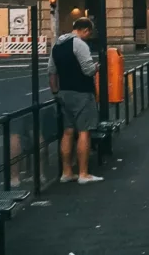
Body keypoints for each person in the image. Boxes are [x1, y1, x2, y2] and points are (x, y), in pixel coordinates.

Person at [48, 18, 103, 184]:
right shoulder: (79, 44)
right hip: (81, 92)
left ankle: (66, 172)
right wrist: (96, 67)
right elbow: (87, 70)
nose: (88, 36)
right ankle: (83, 174)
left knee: (67, 132)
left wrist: (56, 92)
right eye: (89, 33)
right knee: (84, 131)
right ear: (85, 30)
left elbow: (51, 71)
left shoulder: (57, 45)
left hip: (64, 93)